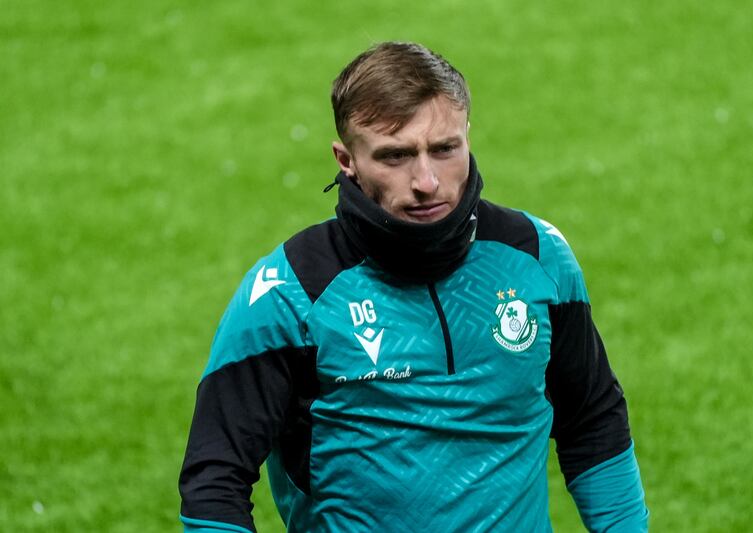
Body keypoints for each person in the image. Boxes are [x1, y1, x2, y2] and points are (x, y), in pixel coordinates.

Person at [179, 41, 649, 532]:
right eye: (395, 156)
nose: (427, 181)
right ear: (346, 159)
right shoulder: (291, 294)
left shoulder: (536, 256)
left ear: (467, 136)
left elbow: (591, 418)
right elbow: (215, 479)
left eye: (445, 149)